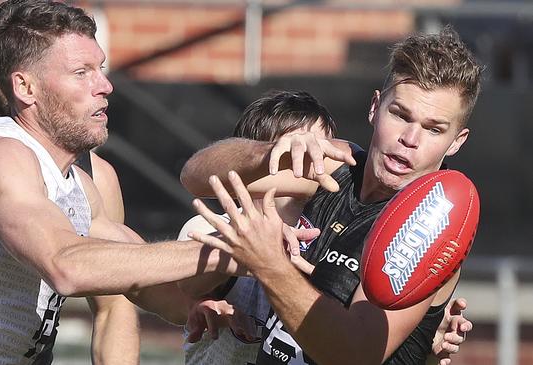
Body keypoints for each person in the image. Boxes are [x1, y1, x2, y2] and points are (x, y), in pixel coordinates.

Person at [0, 1, 241, 364]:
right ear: (25, 87)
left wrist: (206, 298)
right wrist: (233, 251)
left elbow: (141, 281)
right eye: (81, 72)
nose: (104, 85)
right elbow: (66, 265)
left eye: (100, 68)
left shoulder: (79, 183)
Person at [181, 26, 480, 364]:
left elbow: (353, 353)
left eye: (433, 129)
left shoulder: (432, 224)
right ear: (375, 108)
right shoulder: (337, 165)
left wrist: (271, 266)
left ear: (457, 141)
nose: (410, 138)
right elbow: (196, 177)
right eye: (400, 114)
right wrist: (266, 153)